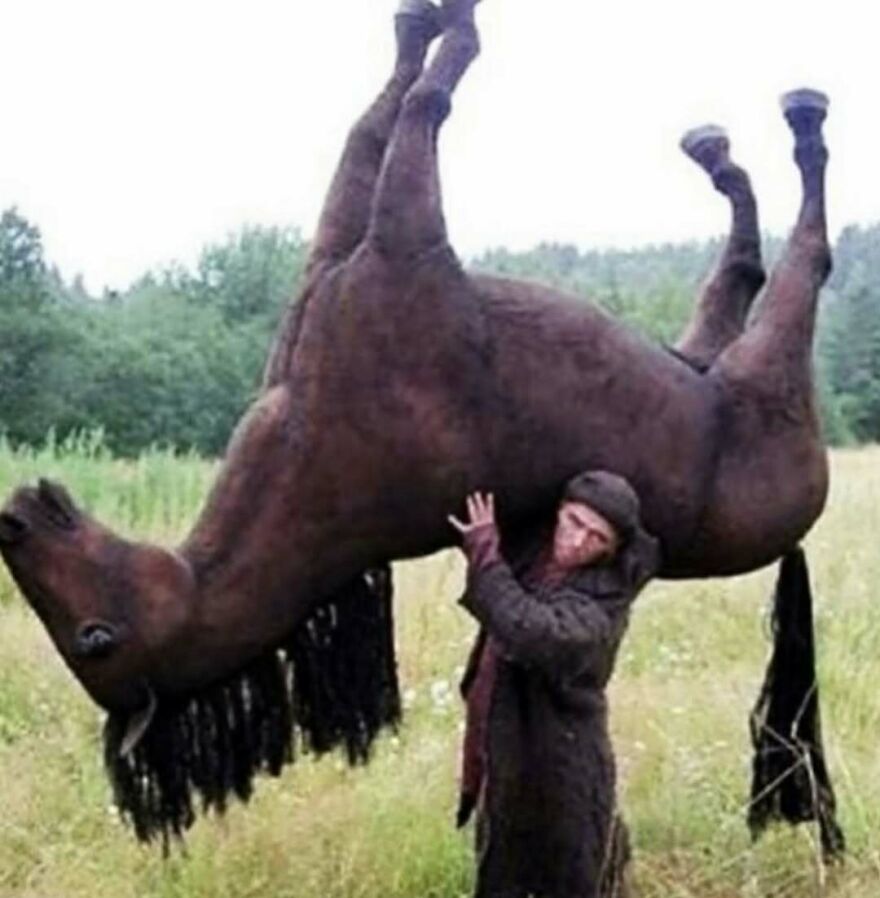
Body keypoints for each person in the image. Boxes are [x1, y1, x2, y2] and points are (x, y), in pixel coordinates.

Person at [448, 471, 660, 898]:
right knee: (506, 863)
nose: (578, 541)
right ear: (558, 513)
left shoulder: (604, 599)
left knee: (573, 872)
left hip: (562, 765)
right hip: (509, 753)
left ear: (612, 550)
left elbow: (535, 634)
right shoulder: (536, 560)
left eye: (596, 537)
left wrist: (485, 553)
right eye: (574, 522)